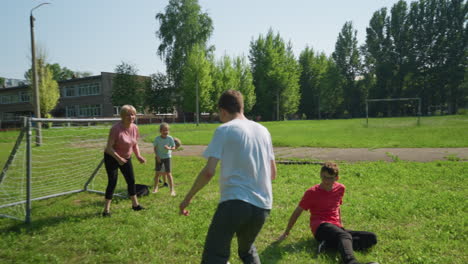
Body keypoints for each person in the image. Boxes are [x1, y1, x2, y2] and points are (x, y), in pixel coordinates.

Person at [179, 90, 277, 264]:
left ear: (223, 111)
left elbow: (209, 172)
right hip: (263, 205)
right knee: (247, 250)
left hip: (235, 203)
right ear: (242, 107)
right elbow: (273, 174)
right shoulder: (263, 130)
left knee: (214, 256)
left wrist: (187, 198)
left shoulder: (224, 130)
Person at [277, 162, 378, 264]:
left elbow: (337, 206)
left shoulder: (340, 188)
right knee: (345, 236)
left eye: (330, 178)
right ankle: (351, 262)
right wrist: (286, 232)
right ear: (320, 175)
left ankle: (329, 245)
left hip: (335, 226)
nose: (326, 181)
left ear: (336, 178)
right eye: (324, 177)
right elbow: (297, 211)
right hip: (320, 226)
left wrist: (340, 223)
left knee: (371, 238)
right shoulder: (312, 192)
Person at [102, 105, 146, 217]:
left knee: (131, 181)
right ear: (122, 116)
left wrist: (138, 156)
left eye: (132, 114)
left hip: (126, 157)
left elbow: (134, 144)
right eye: (128, 114)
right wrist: (119, 159)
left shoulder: (135, 127)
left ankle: (135, 205)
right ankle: (106, 210)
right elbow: (109, 147)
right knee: (112, 182)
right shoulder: (115, 129)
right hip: (112, 157)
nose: (131, 117)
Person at [152, 122, 176, 196]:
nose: (165, 132)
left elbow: (174, 147)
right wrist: (157, 156)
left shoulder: (170, 138)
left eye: (167, 130)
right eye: (164, 130)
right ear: (160, 131)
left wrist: (169, 148)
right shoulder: (157, 139)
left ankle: (172, 190)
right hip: (159, 158)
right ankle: (155, 188)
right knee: (157, 173)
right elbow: (155, 148)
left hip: (167, 157)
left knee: (168, 173)